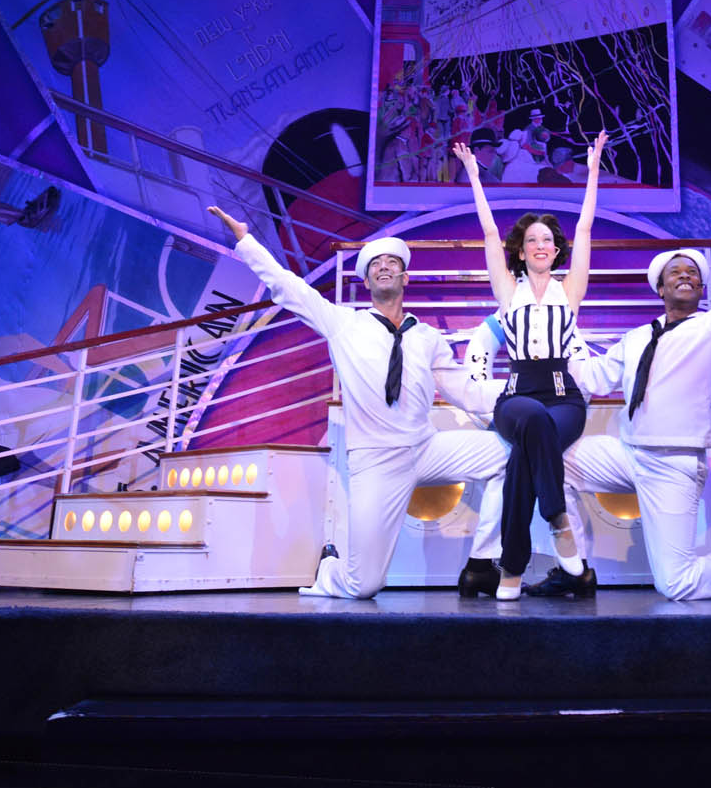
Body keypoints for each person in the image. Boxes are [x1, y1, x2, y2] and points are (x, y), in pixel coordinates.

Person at [528, 155, 711, 601]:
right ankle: (573, 567)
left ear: (699, 290)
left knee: (675, 583)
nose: (685, 276)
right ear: (660, 288)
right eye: (675, 271)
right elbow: (594, 376)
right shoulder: (637, 337)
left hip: (674, 464)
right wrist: (553, 339)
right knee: (548, 460)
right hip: (627, 452)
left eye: (693, 274)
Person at [207, 205, 507, 599]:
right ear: (366, 281)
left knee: (513, 452)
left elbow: (466, 391)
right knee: (362, 586)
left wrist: (521, 390)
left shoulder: (428, 337)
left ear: (405, 276)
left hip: (426, 447)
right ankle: (329, 566)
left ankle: (484, 561)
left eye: (391, 262)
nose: (383, 267)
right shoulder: (344, 325)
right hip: (376, 460)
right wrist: (246, 240)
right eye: (375, 264)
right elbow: (287, 287)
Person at [452, 129, 608, 600]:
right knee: (530, 422)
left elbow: (584, 228)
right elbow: (487, 231)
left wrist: (594, 169)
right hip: (517, 396)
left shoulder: (570, 289)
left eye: (548, 241)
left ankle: (512, 567)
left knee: (524, 454)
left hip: (565, 397)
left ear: (556, 251)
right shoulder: (508, 289)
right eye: (533, 240)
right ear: (521, 250)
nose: (542, 245)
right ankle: (558, 521)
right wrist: (476, 177)